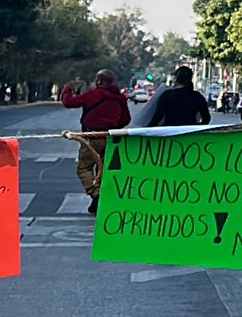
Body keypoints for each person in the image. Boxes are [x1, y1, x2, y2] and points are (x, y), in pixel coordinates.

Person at [62, 70, 132, 213]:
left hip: (91, 138)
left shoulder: (93, 95)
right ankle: (103, 198)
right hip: (111, 138)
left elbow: (68, 102)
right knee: (105, 170)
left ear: (99, 82)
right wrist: (113, 126)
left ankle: (96, 194)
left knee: (84, 168)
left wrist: (68, 89)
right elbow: (126, 119)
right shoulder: (120, 98)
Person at [146, 66, 213, 128]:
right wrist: (196, 128)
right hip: (190, 135)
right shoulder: (198, 97)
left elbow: (157, 117)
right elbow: (206, 118)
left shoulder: (167, 95)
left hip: (170, 134)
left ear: (176, 79)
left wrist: (146, 130)